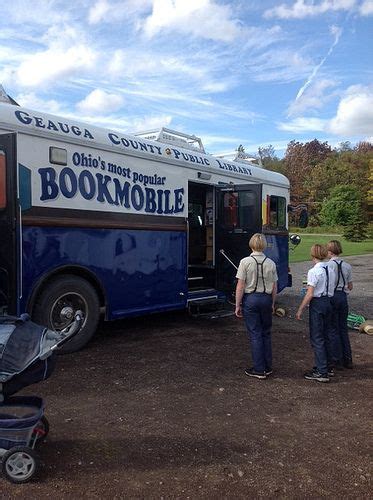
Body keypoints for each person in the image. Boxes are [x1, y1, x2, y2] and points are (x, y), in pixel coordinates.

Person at [235, 233, 278, 379]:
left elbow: (240, 286)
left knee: (255, 334)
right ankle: (267, 366)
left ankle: (259, 369)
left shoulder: (245, 262)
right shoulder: (271, 263)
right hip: (266, 298)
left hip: (251, 299)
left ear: (251, 244)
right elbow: (274, 286)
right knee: (266, 332)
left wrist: (237, 304)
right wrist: (272, 303)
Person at [296, 244, 336, 383]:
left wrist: (301, 308)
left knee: (317, 337)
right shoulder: (331, 268)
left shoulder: (313, 271)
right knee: (327, 335)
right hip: (329, 301)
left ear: (312, 255)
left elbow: (310, 293)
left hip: (318, 303)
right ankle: (328, 366)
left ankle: (321, 371)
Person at [327, 240, 353, 369]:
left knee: (333, 328)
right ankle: (347, 358)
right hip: (343, 296)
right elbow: (350, 286)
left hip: (333, 296)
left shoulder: (328, 266)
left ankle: (336, 359)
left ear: (329, 251)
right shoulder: (347, 266)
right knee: (343, 328)